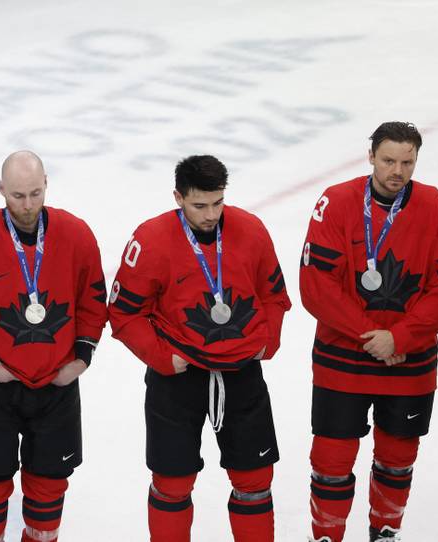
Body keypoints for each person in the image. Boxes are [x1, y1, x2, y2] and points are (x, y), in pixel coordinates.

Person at [108, 155, 291, 542]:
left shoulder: (251, 230)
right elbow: (123, 313)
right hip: (177, 380)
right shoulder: (151, 240)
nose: (211, 215)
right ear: (178, 197)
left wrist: (268, 340)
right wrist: (161, 357)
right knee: (172, 483)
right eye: (199, 205)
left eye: (218, 202)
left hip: (241, 375)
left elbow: (275, 295)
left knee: (255, 480)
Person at [300, 122, 438, 542]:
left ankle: (385, 532)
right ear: (370, 155)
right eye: (389, 160)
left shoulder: (434, 205)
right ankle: (326, 537)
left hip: (409, 361)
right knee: (331, 459)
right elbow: (316, 286)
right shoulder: (336, 202)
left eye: (407, 162)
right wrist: (373, 336)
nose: (398, 171)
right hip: (343, 359)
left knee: (398, 457)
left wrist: (401, 337)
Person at [0, 150, 108, 542]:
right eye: (17, 196)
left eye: (34, 193)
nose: (27, 205)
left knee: (49, 488)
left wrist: (82, 357)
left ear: (46, 184)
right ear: (1, 190)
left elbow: (93, 301)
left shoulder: (77, 234)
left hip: (57, 385)